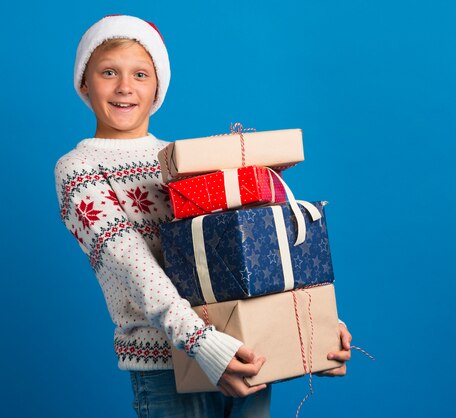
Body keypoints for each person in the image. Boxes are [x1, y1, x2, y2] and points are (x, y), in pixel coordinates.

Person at [54, 14, 352, 418]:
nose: (125, 87)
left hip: (243, 350)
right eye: (109, 72)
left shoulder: (181, 161)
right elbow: (132, 264)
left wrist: (313, 321)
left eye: (141, 74)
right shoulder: (78, 169)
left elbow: (243, 251)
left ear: (158, 86)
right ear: (84, 82)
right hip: (172, 365)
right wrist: (203, 344)